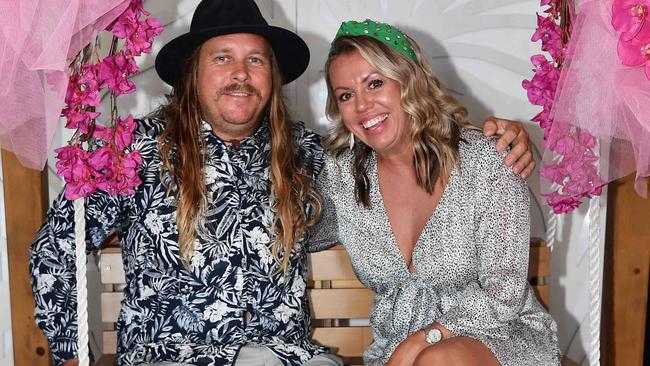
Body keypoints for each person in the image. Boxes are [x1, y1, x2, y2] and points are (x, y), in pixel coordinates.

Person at [29, 1, 535, 365]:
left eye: (255, 59)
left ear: (271, 76)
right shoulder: (134, 151)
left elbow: (398, 153)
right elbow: (58, 246)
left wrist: (502, 137)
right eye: (222, 57)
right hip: (175, 356)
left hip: (286, 357)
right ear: (191, 75)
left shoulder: (311, 157)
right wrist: (73, 355)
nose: (241, 74)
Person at [309, 19, 562, 366]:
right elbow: (294, 235)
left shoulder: (486, 161)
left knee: (437, 360)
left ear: (410, 82)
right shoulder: (344, 179)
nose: (362, 105)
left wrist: (423, 341)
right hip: (396, 352)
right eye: (346, 96)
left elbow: (504, 292)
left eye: (375, 83)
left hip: (499, 335)